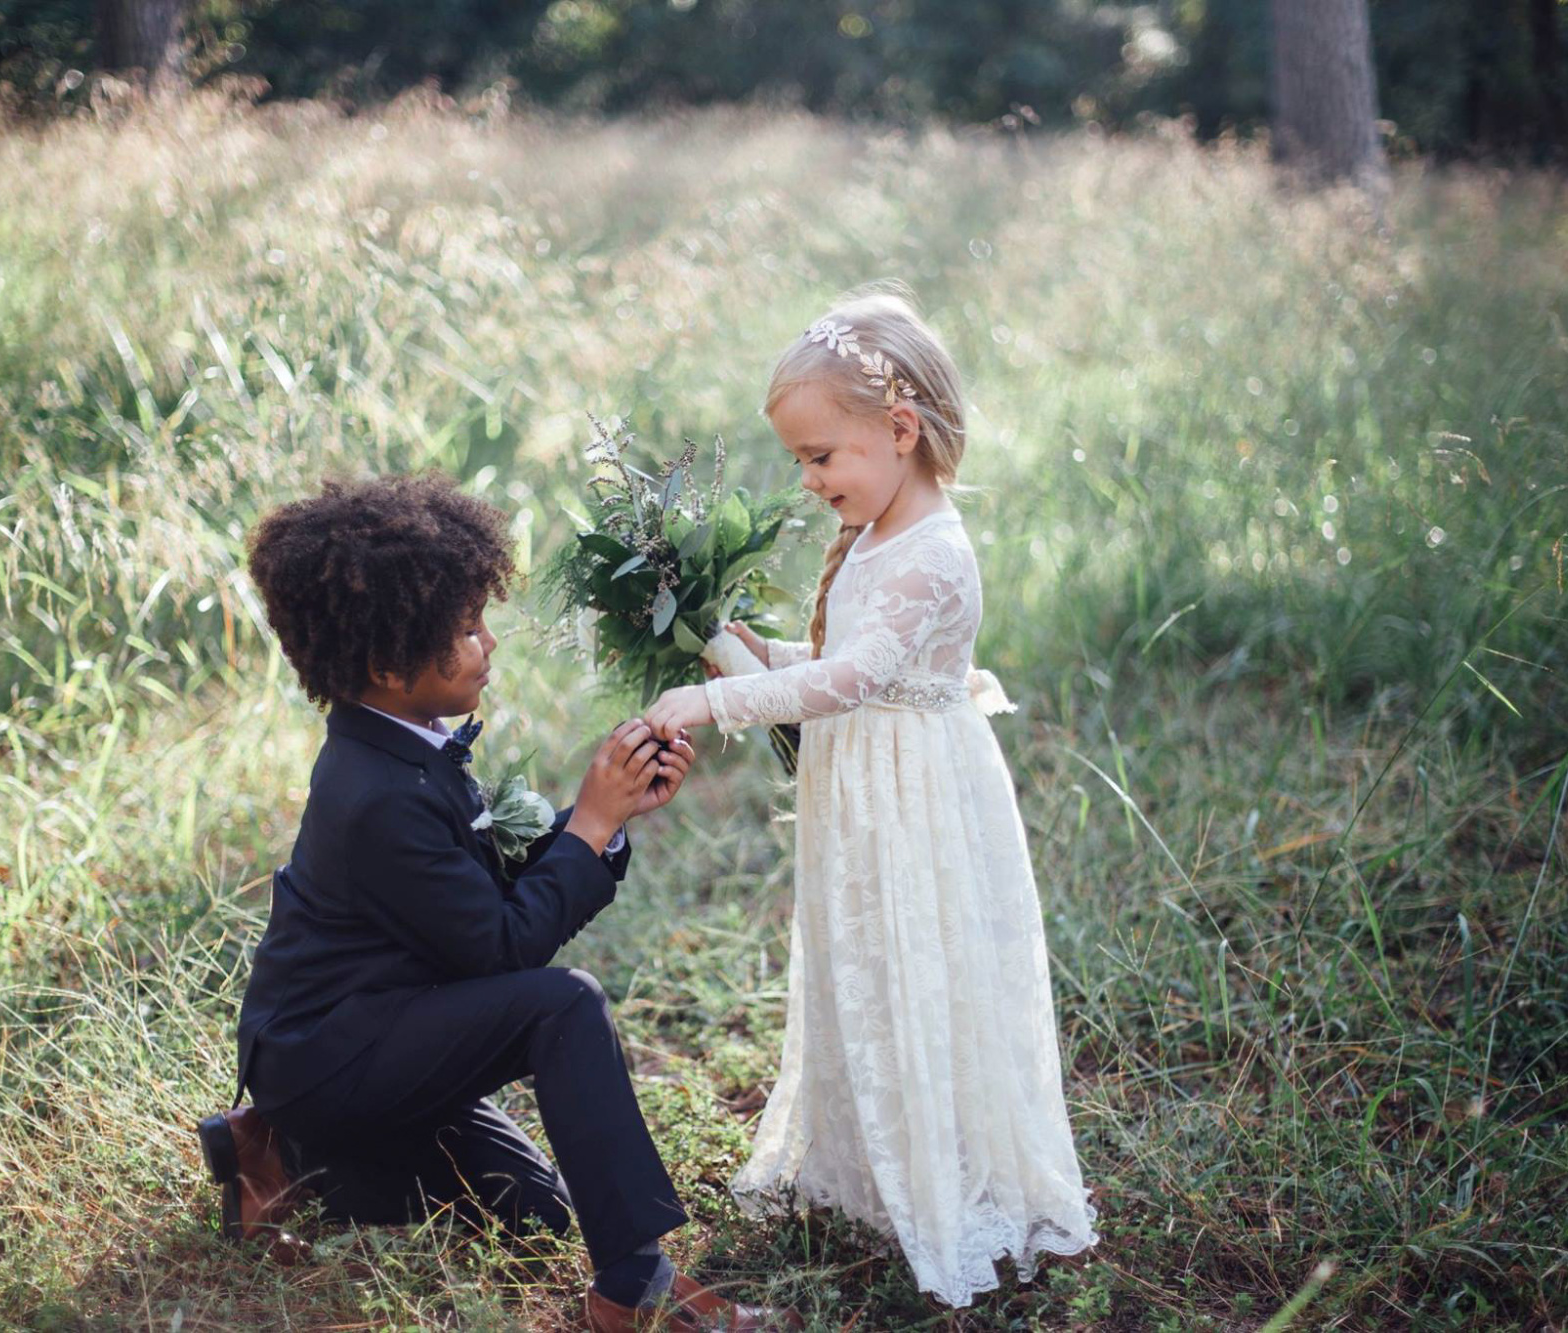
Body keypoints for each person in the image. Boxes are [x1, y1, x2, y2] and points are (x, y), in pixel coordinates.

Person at [198, 473, 799, 1332]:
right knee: (563, 1004)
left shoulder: (403, 743)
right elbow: (501, 950)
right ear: (387, 663)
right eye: (468, 629)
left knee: (534, 1210)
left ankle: (281, 1151)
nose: (488, 642)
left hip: (382, 1026)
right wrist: (585, 827)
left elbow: (466, 900)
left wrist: (609, 817)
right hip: (329, 1052)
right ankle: (636, 1289)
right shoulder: (373, 793)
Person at [644, 288, 1100, 1308]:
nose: (806, 481)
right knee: (864, 965)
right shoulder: (879, 529)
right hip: (869, 794)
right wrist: (717, 633)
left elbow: (844, 684)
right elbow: (838, 661)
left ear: (899, 431)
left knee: (917, 965)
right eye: (798, 461)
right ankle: (868, 1163)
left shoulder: (931, 552)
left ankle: (944, 1178)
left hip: (916, 805)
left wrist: (707, 698)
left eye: (820, 457)